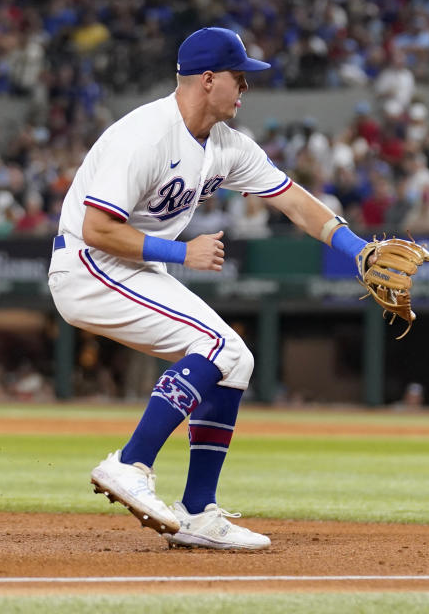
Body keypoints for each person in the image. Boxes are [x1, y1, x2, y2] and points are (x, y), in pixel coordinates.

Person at [47, 28, 373, 550]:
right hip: (88, 265)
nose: (245, 88)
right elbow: (97, 228)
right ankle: (130, 464)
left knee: (235, 359)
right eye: (238, 78)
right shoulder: (147, 134)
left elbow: (294, 202)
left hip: (132, 269)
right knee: (216, 346)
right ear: (207, 79)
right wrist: (183, 253)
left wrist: (358, 249)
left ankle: (198, 511)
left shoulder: (225, 144)